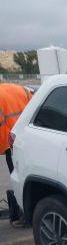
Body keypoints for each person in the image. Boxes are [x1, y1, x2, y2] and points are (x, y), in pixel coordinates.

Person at [0, 83, 33, 227]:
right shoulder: (19, 89)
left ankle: (25, 214)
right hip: (32, 138)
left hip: (12, 144)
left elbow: (1, 129)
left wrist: (4, 148)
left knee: (18, 179)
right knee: (30, 177)